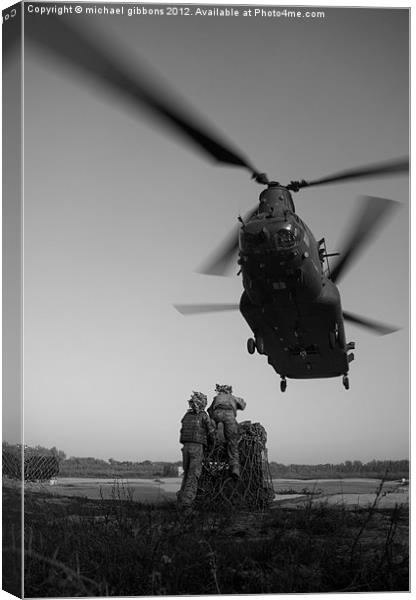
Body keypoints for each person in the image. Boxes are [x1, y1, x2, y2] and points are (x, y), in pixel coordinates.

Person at [177, 391, 215, 512]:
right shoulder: (203, 416)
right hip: (196, 447)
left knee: (187, 474)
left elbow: (182, 429)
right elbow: (211, 432)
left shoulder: (186, 415)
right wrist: (213, 443)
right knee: (193, 475)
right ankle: (187, 505)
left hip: (185, 447)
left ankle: (180, 500)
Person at [208, 384, 246, 478]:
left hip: (216, 413)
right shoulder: (232, 397)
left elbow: (209, 410)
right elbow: (243, 405)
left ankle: (214, 443)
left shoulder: (216, 398)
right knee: (232, 439)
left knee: (212, 430)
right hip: (229, 414)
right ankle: (235, 467)